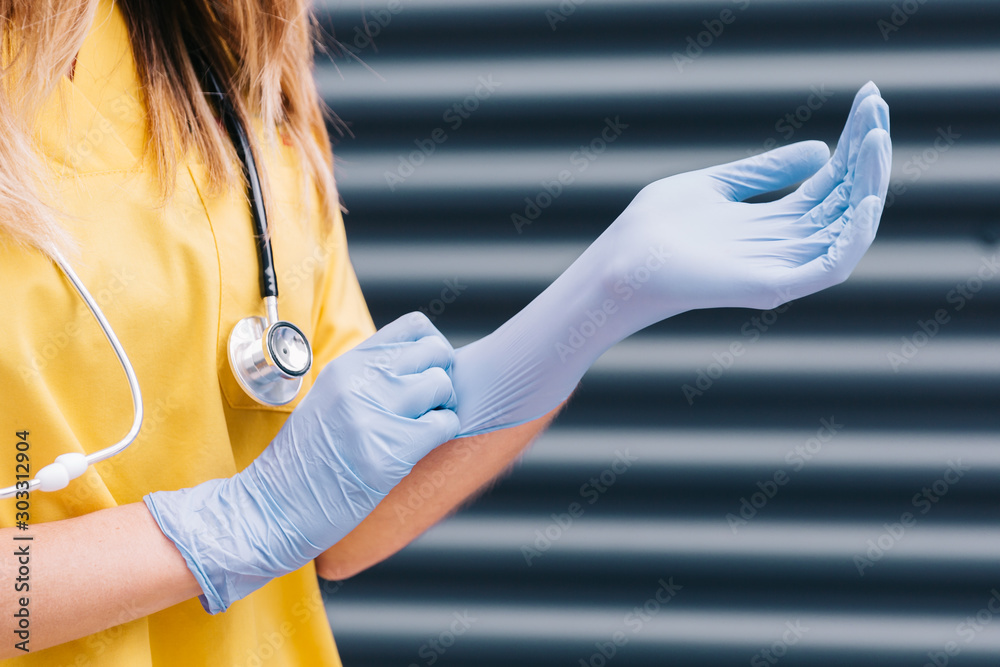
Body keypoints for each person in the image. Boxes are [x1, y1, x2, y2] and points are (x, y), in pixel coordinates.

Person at [0, 1, 891, 664]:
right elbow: (278, 510)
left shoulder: (230, 88)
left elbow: (342, 524)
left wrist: (591, 309)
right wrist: (235, 520)